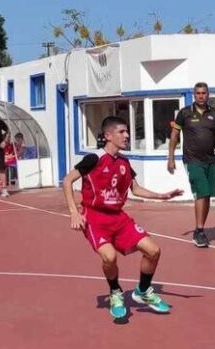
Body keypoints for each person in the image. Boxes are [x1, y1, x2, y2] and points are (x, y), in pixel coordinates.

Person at [62, 116, 183, 320]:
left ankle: (142, 291)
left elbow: (136, 189)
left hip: (118, 217)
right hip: (94, 218)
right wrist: (74, 212)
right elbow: (67, 181)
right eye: (122, 132)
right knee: (109, 257)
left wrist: (162, 196)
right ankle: (115, 292)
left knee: (153, 250)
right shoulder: (94, 159)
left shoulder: (124, 162)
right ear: (108, 136)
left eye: (127, 131)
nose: (127, 135)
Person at [167, 82, 215, 248]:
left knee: (208, 194)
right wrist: (171, 158)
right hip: (192, 160)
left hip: (210, 160)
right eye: (198, 93)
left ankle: (200, 228)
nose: (201, 96)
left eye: (204, 93)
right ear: (194, 95)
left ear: (208, 94)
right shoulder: (185, 113)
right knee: (202, 192)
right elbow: (174, 135)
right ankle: (199, 230)